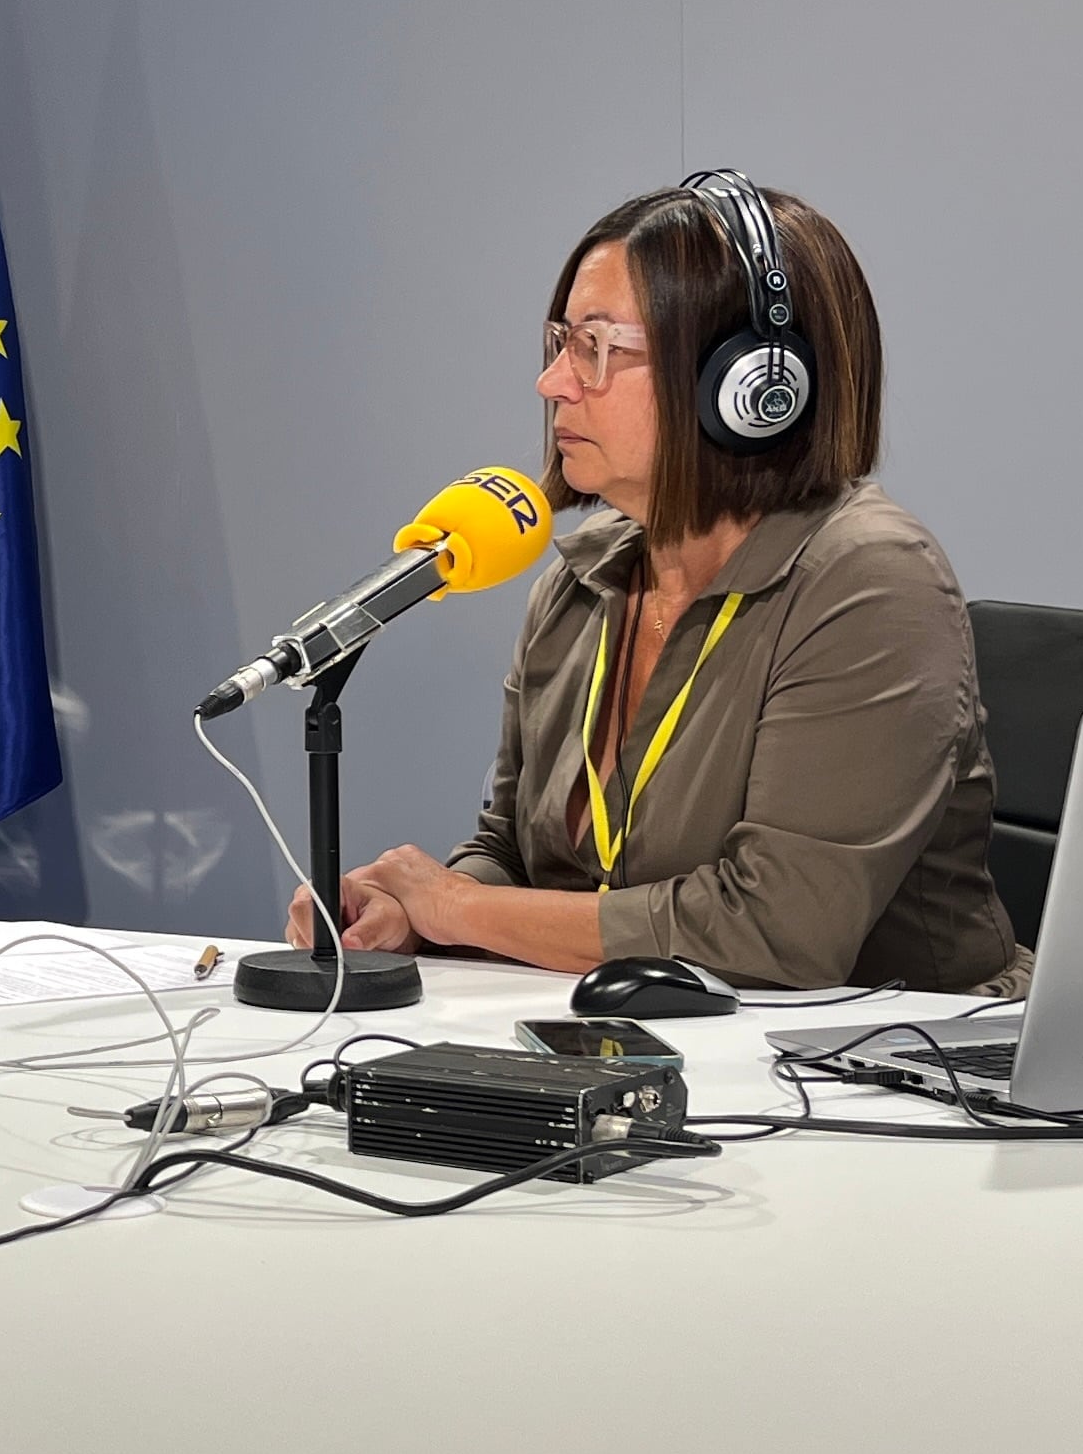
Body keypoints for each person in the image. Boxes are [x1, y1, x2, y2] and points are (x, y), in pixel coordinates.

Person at [287, 175, 1026, 996]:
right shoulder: (584, 575)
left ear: (748, 387)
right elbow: (513, 854)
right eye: (559, 341)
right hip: (650, 1045)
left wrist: (455, 908)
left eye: (597, 348)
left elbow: (776, 932)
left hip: (895, 1073)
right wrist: (409, 915)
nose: (553, 382)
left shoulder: (870, 581)